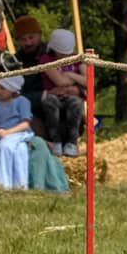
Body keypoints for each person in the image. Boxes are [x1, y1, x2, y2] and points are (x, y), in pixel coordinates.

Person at [38, 27, 87, 157]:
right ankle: (56, 142)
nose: (65, 56)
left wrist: (70, 74)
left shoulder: (78, 58)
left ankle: (72, 142)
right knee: (51, 104)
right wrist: (75, 81)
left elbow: (89, 80)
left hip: (72, 97)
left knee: (76, 104)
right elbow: (59, 81)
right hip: (54, 96)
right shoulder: (46, 60)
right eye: (61, 52)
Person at [9, 15, 47, 124]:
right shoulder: (13, 62)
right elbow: (11, 96)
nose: (28, 43)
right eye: (23, 39)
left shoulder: (53, 54)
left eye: (31, 37)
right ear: (17, 41)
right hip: (29, 116)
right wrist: (43, 96)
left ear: (40, 35)